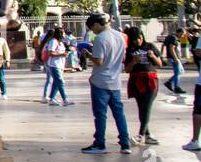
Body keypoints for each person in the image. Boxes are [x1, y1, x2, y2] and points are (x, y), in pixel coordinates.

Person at [81, 12, 130, 154]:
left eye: (92, 28)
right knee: (119, 113)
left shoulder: (100, 39)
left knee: (100, 114)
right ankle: (125, 143)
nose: (92, 31)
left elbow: (99, 61)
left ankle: (100, 143)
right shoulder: (119, 36)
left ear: (97, 24)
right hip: (115, 80)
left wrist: (88, 55)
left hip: (100, 81)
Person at [124, 26, 162, 146]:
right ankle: (148, 135)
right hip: (136, 80)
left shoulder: (150, 46)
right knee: (142, 108)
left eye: (139, 38)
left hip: (151, 80)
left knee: (147, 105)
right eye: (135, 39)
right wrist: (133, 61)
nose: (138, 41)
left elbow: (160, 64)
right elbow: (127, 69)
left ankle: (140, 135)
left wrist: (153, 57)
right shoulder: (129, 50)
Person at [44, 27, 73, 106]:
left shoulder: (60, 42)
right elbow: (50, 53)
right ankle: (65, 99)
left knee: (56, 82)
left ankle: (52, 98)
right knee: (60, 81)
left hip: (60, 65)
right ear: (60, 33)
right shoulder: (53, 41)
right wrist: (61, 54)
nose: (64, 34)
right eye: (63, 33)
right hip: (54, 65)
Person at [162, 27, 185, 98]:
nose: (182, 36)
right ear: (179, 32)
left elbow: (163, 45)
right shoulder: (174, 38)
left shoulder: (169, 36)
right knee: (177, 72)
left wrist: (161, 54)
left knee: (180, 71)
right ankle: (176, 87)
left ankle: (169, 82)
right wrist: (175, 59)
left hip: (171, 57)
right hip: (174, 58)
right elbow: (171, 48)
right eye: (182, 34)